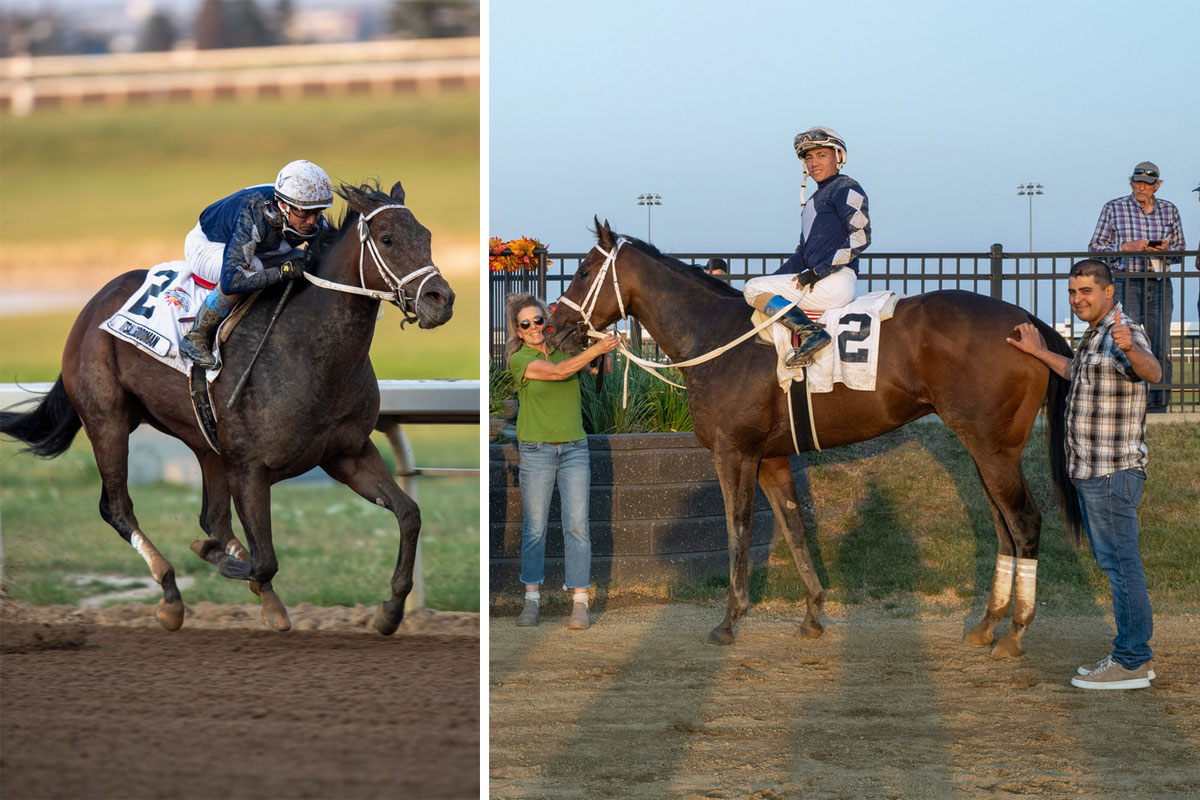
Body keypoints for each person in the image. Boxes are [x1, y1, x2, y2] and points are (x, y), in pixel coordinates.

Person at [1005, 259, 1161, 690]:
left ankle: (1132, 661)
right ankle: (1132, 656)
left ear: (1109, 292)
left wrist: (1131, 348)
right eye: (1073, 292)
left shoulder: (1121, 332)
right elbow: (1080, 373)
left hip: (1111, 472)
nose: (1078, 299)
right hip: (1094, 471)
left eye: (1086, 291)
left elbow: (1152, 372)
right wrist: (1037, 352)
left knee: (1122, 566)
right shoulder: (1095, 335)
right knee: (1117, 564)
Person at [506, 293, 620, 630]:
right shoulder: (519, 360)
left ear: (546, 319)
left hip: (574, 449)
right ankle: (531, 602)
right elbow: (557, 373)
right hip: (536, 451)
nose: (533, 328)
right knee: (535, 529)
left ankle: (580, 602)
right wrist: (593, 352)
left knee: (577, 527)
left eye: (538, 320)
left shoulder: (563, 350)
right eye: (525, 324)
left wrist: (601, 343)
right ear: (517, 329)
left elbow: (603, 367)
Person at [179, 159, 335, 368]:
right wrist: (282, 272)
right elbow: (233, 279)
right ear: (283, 205)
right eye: (305, 212)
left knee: (303, 262)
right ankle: (197, 336)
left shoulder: (306, 215)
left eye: (318, 212)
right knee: (254, 268)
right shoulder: (252, 213)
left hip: (261, 246)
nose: (312, 221)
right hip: (209, 244)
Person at [742, 126, 870, 367]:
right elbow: (800, 256)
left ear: (839, 157)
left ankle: (811, 334)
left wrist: (817, 272)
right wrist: (771, 281)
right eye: (809, 158)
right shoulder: (812, 200)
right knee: (758, 289)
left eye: (821, 155)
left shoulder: (847, 187)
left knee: (751, 288)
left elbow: (861, 236)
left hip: (834, 281)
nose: (814, 163)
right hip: (815, 281)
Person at [1087, 161, 1186, 412]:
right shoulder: (1114, 208)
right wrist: (1125, 247)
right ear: (1131, 182)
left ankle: (1158, 407)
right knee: (1122, 344)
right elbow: (1094, 249)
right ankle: (1121, 404)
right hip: (1125, 280)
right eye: (1137, 182)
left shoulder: (1170, 211)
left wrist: (1166, 251)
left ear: (1157, 186)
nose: (1141, 187)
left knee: (1160, 346)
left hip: (1160, 283)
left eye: (1147, 184)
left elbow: (1180, 253)